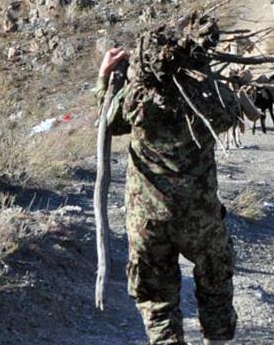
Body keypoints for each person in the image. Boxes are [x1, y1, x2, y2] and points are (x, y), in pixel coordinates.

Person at [97, 44, 238, 345]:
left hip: (149, 221)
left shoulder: (137, 100)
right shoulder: (205, 100)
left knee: (158, 298)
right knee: (215, 282)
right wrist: (204, 76)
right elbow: (231, 112)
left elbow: (109, 121)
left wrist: (106, 77)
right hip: (200, 217)